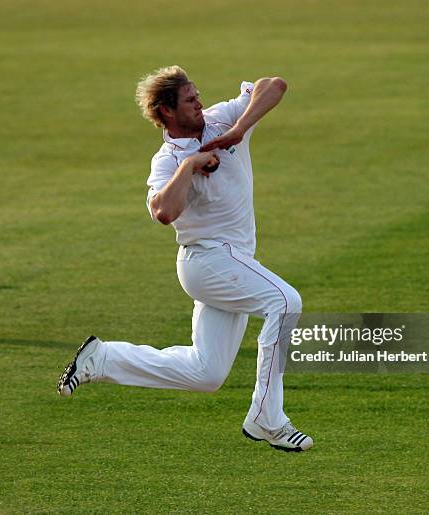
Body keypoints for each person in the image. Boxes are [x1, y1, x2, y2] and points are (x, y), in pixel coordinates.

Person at [57, 65, 313, 452]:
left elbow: (273, 85)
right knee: (285, 301)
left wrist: (237, 131)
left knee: (206, 373)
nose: (200, 103)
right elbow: (163, 211)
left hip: (231, 263)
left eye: (198, 95)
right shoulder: (166, 161)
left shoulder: (220, 120)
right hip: (207, 261)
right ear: (166, 112)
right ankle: (267, 419)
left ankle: (104, 359)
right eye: (190, 100)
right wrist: (190, 165)